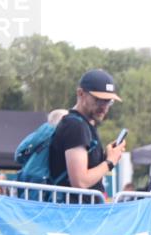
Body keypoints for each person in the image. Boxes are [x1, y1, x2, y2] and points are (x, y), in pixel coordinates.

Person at [48, 69, 125, 204]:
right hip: (74, 214)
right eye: (99, 100)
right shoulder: (75, 126)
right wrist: (110, 162)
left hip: (80, 213)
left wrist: (106, 156)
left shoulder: (85, 124)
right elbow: (80, 181)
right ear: (81, 93)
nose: (104, 107)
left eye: (109, 101)